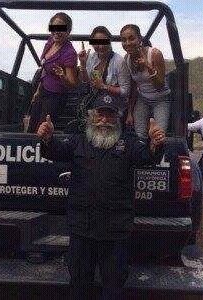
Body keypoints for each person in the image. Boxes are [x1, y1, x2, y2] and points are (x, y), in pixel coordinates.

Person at [37, 94, 165, 300]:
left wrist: (154, 144)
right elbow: (55, 151)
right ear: (91, 116)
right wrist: (48, 139)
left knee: (114, 287)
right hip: (82, 229)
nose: (104, 120)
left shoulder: (129, 143)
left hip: (115, 231)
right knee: (78, 285)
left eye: (110, 115)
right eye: (100, 114)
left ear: (118, 119)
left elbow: (147, 156)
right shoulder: (78, 140)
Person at [28, 12, 78, 133]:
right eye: (54, 27)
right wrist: (38, 90)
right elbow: (45, 67)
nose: (56, 31)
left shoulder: (69, 52)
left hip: (55, 96)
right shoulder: (50, 42)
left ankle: (44, 152)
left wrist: (62, 76)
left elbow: (72, 84)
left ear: (68, 31)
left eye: (61, 28)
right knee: (31, 127)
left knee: (43, 130)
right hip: (43, 90)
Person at [120, 24, 171, 137]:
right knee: (139, 133)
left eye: (131, 38)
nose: (127, 43)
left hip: (160, 99)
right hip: (143, 98)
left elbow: (159, 86)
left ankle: (157, 152)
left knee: (159, 135)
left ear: (140, 39)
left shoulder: (154, 54)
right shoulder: (126, 59)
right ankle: (142, 153)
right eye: (123, 40)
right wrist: (129, 112)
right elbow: (133, 86)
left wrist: (148, 66)